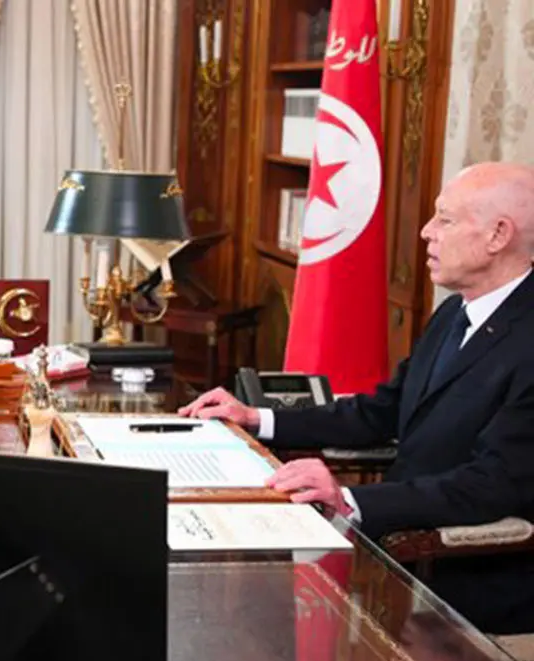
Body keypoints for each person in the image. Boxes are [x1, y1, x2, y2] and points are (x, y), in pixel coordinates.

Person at [179, 161, 534, 635]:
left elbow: (492, 485)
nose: (427, 232)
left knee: (248, 621)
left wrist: (348, 499)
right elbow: (381, 410)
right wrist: (256, 418)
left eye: (445, 219)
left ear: (498, 235)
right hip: (401, 555)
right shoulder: (454, 314)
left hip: (469, 585)